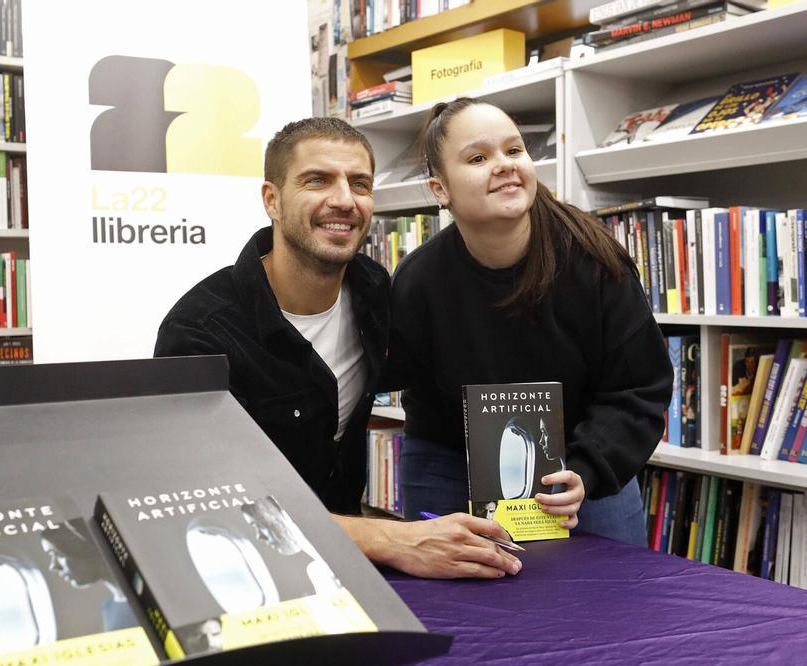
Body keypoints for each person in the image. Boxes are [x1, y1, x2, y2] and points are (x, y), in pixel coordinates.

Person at [155, 116, 521, 580]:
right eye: (317, 180)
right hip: (243, 568)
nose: (344, 200)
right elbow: (206, 502)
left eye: (360, 184)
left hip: (349, 568)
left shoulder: (375, 292)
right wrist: (391, 538)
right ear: (272, 199)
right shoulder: (201, 333)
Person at [387, 98, 672, 546]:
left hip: (580, 462)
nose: (503, 165)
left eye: (514, 151)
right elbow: (394, 374)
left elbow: (639, 386)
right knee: (457, 611)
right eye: (479, 158)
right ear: (440, 189)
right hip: (449, 459)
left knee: (608, 609)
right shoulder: (419, 279)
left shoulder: (594, 262)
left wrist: (587, 468)